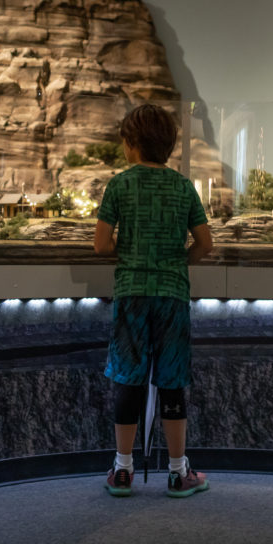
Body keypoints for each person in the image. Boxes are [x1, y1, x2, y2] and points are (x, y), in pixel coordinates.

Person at [93, 103, 214, 498]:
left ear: (132, 144)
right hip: (173, 295)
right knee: (172, 381)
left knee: (129, 380)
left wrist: (131, 257)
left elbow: (100, 245)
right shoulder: (183, 186)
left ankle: (123, 469)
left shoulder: (120, 185)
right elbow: (205, 244)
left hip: (131, 293)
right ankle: (179, 473)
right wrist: (175, 262)